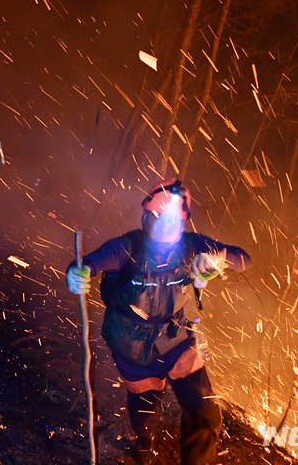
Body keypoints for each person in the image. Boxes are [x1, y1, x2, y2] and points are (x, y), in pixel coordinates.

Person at [66, 179, 251, 465]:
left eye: (175, 223)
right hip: (131, 347)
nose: (169, 229)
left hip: (176, 337)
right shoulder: (127, 248)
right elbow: (89, 263)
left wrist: (216, 259)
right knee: (145, 414)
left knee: (205, 412)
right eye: (162, 221)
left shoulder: (191, 245)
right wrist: (78, 273)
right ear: (147, 218)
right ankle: (143, 445)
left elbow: (243, 259)